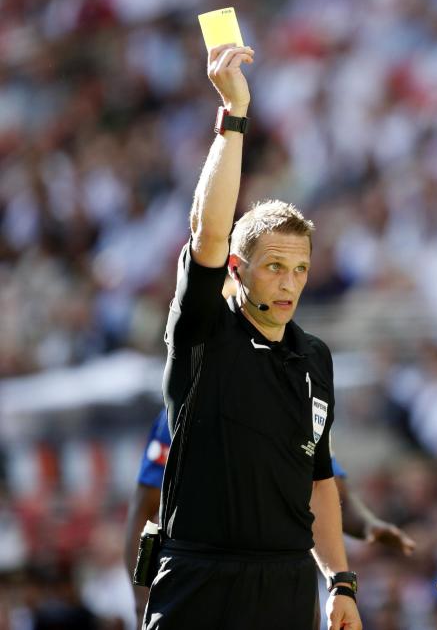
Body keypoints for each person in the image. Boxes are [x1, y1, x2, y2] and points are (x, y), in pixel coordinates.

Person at [141, 43, 361, 629]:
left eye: (300, 269)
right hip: (200, 580)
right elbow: (208, 233)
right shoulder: (205, 330)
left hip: (287, 585)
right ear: (237, 271)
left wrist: (339, 580)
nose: (290, 283)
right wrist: (233, 118)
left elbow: (318, 478)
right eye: (274, 267)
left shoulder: (314, 357)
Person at [124, 409, 415, 622]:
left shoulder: (302, 409)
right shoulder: (187, 406)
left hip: (284, 583)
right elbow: (144, 510)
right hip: (204, 583)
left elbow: (330, 495)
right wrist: (141, 600)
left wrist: (369, 525)